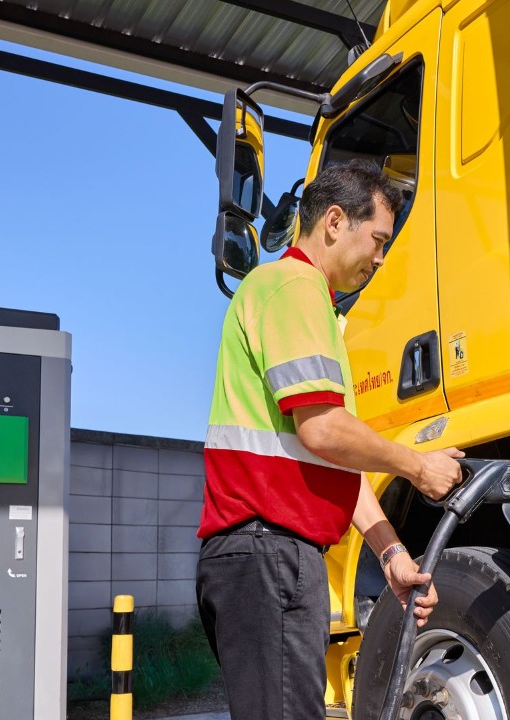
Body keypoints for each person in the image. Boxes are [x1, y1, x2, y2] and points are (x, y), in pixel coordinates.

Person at [195, 160, 465, 720]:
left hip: (266, 556)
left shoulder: (293, 294)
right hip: (268, 553)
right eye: (379, 240)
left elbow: (331, 458)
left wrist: (391, 552)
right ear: (336, 221)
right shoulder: (295, 287)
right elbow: (322, 429)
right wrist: (417, 467)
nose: (382, 258)